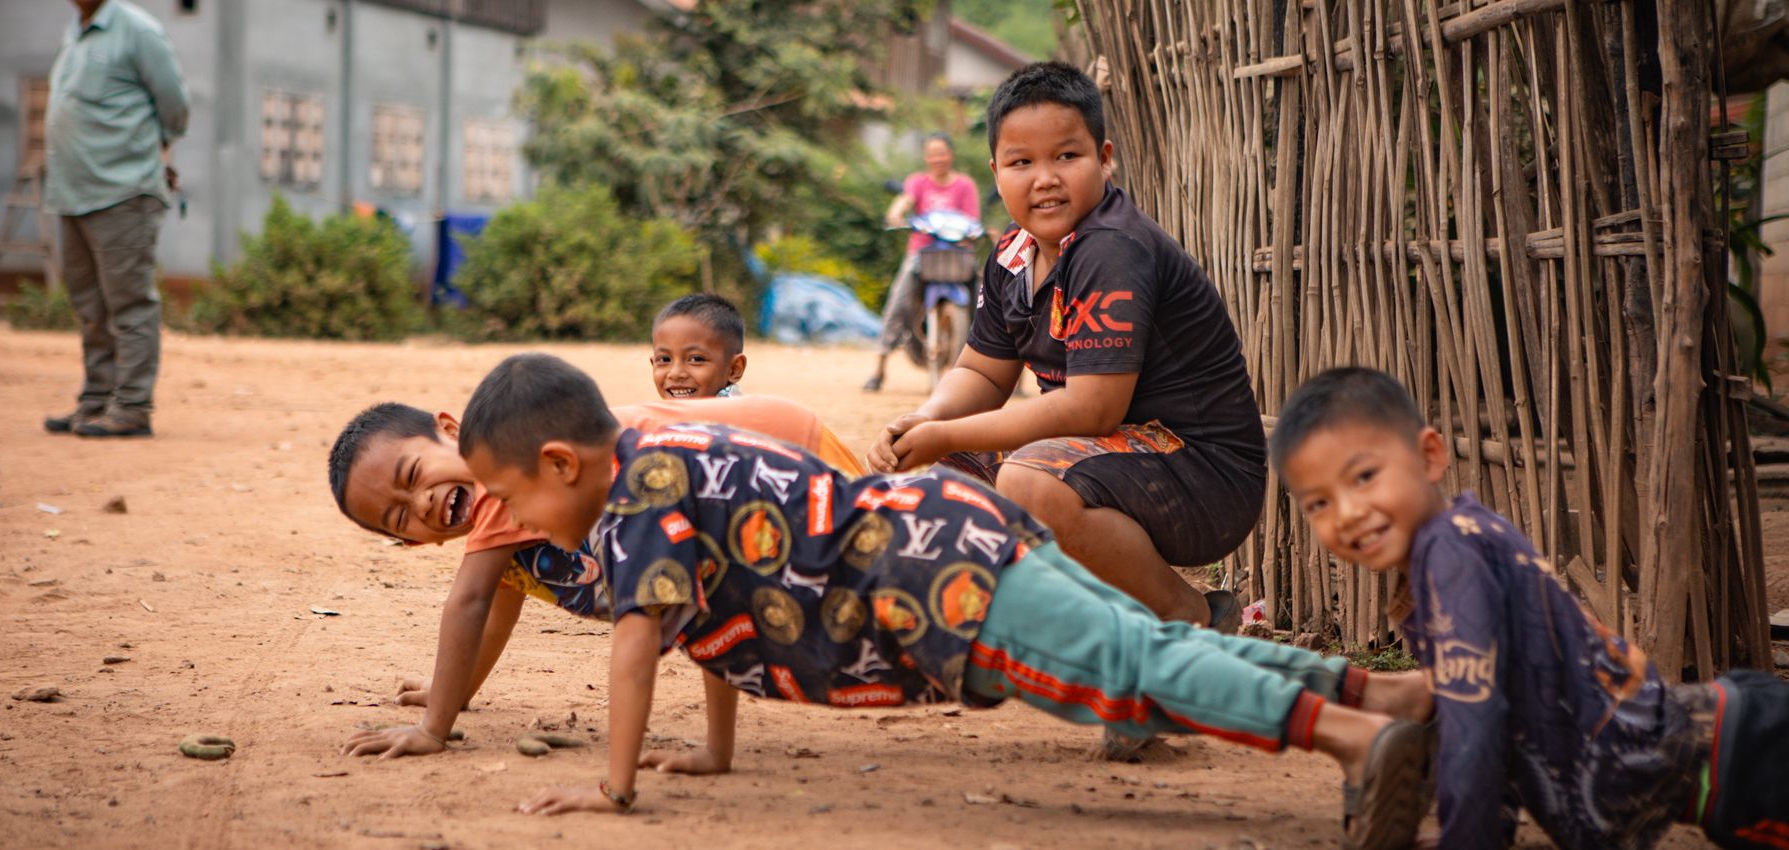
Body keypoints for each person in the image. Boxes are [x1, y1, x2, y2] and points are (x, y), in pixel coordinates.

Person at [434, 353, 1434, 850]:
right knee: (1136, 638)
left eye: (514, 495)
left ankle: (1346, 737)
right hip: (949, 534)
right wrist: (719, 752)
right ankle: (1376, 699)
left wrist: (614, 787)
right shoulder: (662, 446)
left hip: (939, 587)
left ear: (563, 461)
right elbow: (709, 617)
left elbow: (640, 635)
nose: (512, 517)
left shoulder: (633, 496)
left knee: (1129, 671)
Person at [1273, 367, 1789, 850]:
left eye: (1364, 476)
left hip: (1743, 759)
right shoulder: (1453, 547)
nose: (1348, 512)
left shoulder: (1450, 555)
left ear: (1430, 455)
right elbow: (1495, 720)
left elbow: (1475, 726)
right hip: (1728, 747)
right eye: (1318, 503)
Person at [868, 62, 1263, 635]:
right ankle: (1077, 629)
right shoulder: (1012, 253)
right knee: (938, 486)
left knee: (1028, 480)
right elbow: (982, 369)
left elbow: (1091, 409)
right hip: (1113, 458)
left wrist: (947, 434)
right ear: (995, 172)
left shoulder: (1111, 248)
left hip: (1204, 475)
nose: (1045, 178)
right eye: (1022, 162)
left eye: (1066, 157)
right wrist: (923, 420)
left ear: (1104, 159)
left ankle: (1190, 618)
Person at [328, 394, 862, 730]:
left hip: (781, 448)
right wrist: (455, 691)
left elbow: (468, 602)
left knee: (880, 572)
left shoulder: (510, 462)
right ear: (420, 544)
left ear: (453, 429)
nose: (418, 503)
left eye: (413, 474)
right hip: (746, 491)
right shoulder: (508, 540)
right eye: (400, 519)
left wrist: (433, 727)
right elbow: (491, 614)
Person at [40, 0, 189, 439]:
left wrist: (149, 153)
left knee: (129, 305)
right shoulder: (76, 31)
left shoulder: (137, 30)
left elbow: (175, 106)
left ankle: (132, 407)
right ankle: (95, 401)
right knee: (89, 305)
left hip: (122, 192)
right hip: (72, 193)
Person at [864, 133, 981, 393]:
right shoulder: (917, 183)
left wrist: (973, 234)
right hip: (922, 254)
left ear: (951, 155)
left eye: (942, 153)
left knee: (986, 302)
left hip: (956, 255)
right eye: (932, 154)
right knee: (898, 302)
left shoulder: (965, 185)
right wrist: (895, 215)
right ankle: (879, 367)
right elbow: (902, 203)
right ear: (926, 158)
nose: (937, 158)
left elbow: (973, 219)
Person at [651, 294, 746, 400]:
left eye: (696, 359)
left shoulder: (730, 413)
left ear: (734, 369)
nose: (675, 373)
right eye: (664, 359)